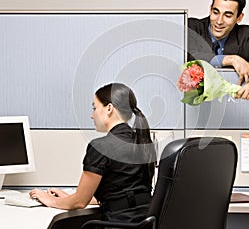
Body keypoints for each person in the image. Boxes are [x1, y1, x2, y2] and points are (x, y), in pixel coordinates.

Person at [30, 83, 156, 223]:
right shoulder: (143, 143)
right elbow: (123, 193)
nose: (92, 115)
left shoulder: (101, 147)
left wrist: (51, 200)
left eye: (95, 108)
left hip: (118, 224)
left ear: (109, 108)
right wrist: (68, 199)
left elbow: (79, 203)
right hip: (145, 222)